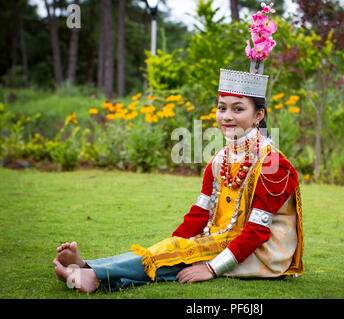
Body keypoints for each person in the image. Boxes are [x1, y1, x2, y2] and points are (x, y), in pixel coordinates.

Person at [53, 4, 303, 293]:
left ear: (259, 116)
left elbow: (257, 232)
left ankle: (95, 276)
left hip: (259, 254)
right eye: (222, 108)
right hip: (219, 238)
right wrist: (174, 247)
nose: (227, 116)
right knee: (176, 250)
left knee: (185, 257)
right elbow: (199, 213)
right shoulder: (219, 160)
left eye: (238, 109)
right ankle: (88, 267)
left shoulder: (275, 166)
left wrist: (211, 267)